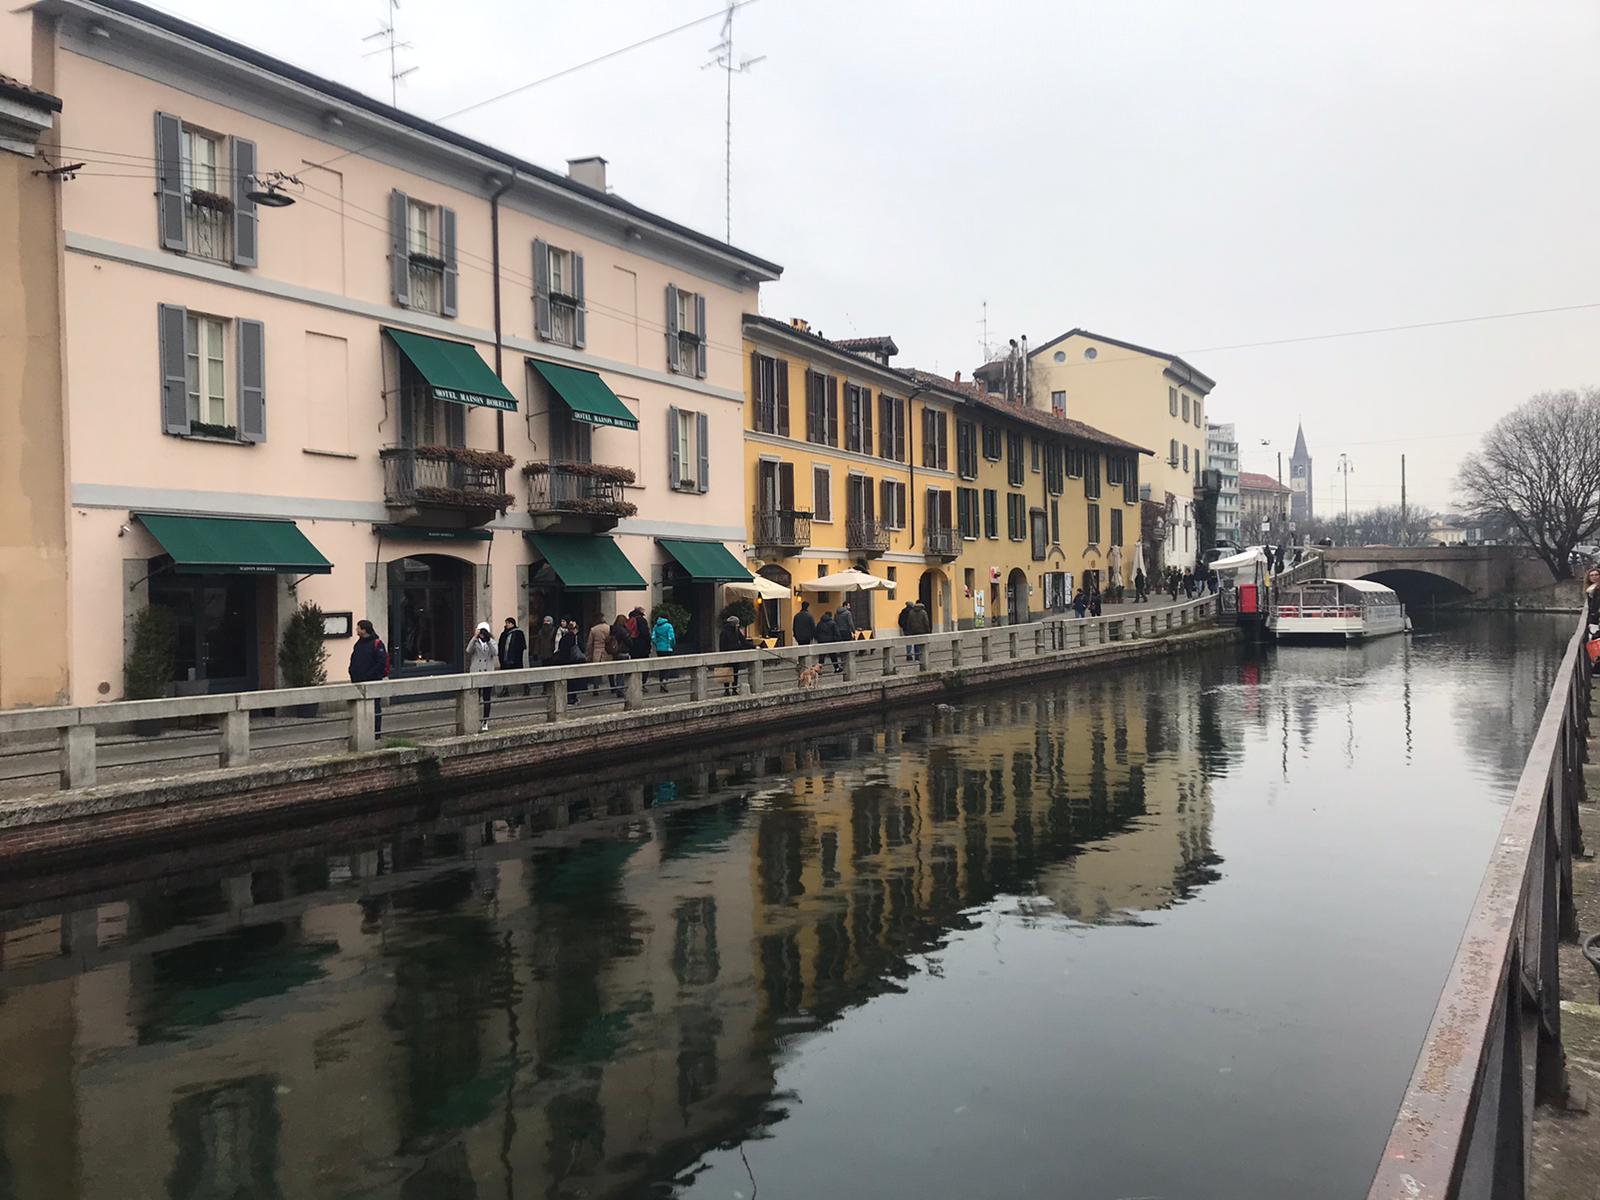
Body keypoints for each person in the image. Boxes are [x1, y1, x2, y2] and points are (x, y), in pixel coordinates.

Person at [348, 619, 389, 736]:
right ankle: (361, 733)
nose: (356, 630)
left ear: (364, 630)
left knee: (375, 707)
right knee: (359, 708)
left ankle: (376, 732)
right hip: (358, 680)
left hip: (372, 681)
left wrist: (370, 675)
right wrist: (351, 671)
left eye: (358, 627)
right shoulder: (358, 644)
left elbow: (381, 663)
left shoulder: (377, 643)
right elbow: (354, 659)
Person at [466, 621, 497, 732]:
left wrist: (488, 641)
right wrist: (475, 637)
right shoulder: (475, 642)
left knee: (486, 698)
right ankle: (473, 720)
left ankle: (485, 721)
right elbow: (468, 650)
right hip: (476, 672)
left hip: (487, 673)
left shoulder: (492, 642)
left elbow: (495, 653)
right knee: (475, 698)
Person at [718, 614, 753, 694]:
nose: (738, 625)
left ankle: (733, 689)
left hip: (736, 655)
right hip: (727, 655)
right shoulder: (724, 632)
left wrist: (753, 646)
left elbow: (743, 641)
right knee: (727, 672)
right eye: (737, 623)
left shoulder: (736, 631)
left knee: (734, 672)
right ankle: (727, 690)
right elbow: (722, 645)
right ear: (734, 624)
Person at [498, 616, 527, 697]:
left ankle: (526, 688)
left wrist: (516, 654)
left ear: (512, 624)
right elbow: (500, 645)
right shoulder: (504, 633)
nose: (506, 624)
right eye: (506, 623)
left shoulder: (518, 633)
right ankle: (505, 690)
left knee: (519, 673)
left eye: (508, 623)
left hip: (515, 658)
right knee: (505, 675)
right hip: (505, 658)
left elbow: (522, 646)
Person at [651, 611, 677, 691]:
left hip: (659, 649)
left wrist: (657, 644)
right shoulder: (669, 626)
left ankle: (661, 681)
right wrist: (672, 645)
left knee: (661, 666)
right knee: (667, 666)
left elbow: (653, 637)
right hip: (667, 648)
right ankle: (665, 681)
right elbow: (672, 637)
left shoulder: (656, 626)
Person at [1586, 566, 1600, 636]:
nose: (1594, 577)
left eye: (1596, 575)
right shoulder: (1590, 589)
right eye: (1591, 575)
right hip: (1594, 619)